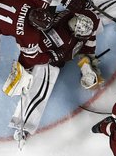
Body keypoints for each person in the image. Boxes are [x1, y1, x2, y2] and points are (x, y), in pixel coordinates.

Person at [6, 8, 102, 145]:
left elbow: (90, 37)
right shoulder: (58, 35)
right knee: (40, 89)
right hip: (43, 59)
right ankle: (23, 125)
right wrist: (52, 58)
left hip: (46, 52)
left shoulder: (82, 18)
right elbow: (34, 52)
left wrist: (87, 66)